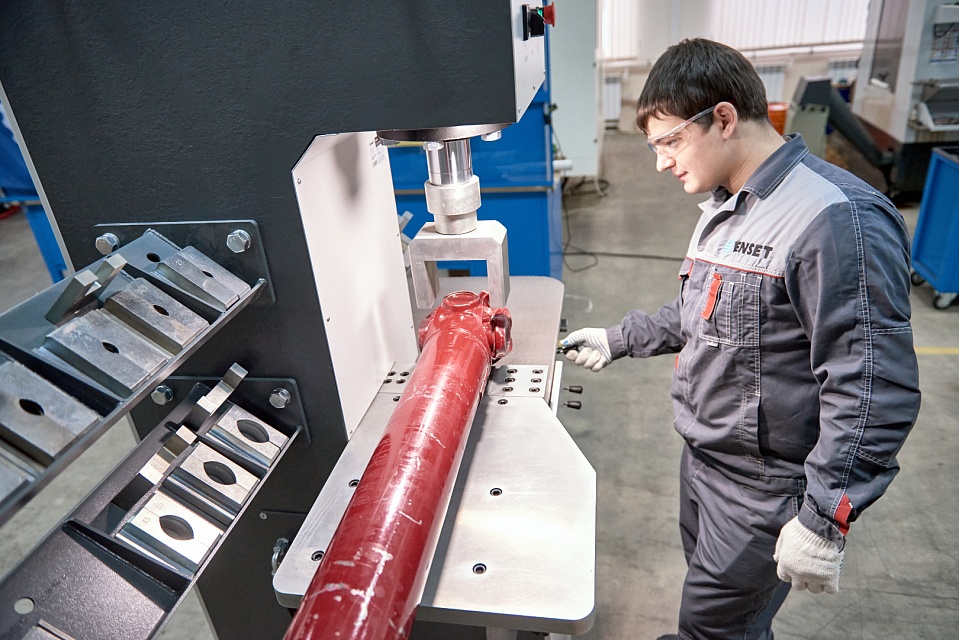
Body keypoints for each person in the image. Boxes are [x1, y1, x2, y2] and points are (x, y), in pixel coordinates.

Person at [560, 38, 921, 640]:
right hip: (704, 463)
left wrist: (824, 517)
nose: (661, 163)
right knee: (732, 623)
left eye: (670, 142)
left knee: (710, 629)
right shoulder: (727, 206)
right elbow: (701, 313)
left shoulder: (834, 218)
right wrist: (618, 338)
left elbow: (872, 388)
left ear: (723, 118)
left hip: (762, 490)